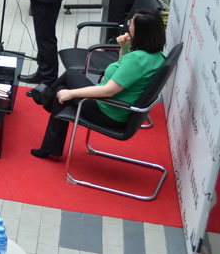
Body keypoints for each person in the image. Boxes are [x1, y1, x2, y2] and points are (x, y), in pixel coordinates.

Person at [30, 9, 166, 159]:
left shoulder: (137, 60)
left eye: (131, 23)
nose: (129, 26)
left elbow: (108, 91)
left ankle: (46, 101)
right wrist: (124, 47)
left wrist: (71, 93)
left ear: (140, 31)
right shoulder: (156, 57)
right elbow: (123, 69)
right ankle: (47, 108)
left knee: (63, 89)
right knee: (65, 83)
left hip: (108, 110)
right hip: (116, 106)